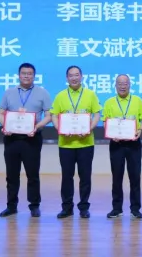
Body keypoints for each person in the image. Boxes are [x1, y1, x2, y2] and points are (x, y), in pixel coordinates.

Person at [0, 63, 52, 218]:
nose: (26, 76)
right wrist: (5, 125)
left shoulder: (42, 93)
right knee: (11, 175)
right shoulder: (9, 92)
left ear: (34, 76)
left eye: (29, 74)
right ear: (19, 75)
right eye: (23, 73)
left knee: (32, 174)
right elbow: (1, 113)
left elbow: (49, 115)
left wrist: (37, 126)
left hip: (32, 138)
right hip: (11, 138)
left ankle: (34, 205)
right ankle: (11, 206)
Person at [51, 65, 101, 219]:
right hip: (65, 144)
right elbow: (54, 115)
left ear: (81, 76)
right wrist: (60, 128)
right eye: (71, 75)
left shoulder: (90, 94)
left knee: (85, 177)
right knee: (67, 177)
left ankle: (84, 207)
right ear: (67, 78)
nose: (74, 78)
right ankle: (67, 207)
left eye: (77, 75)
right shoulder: (60, 96)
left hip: (86, 143)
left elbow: (97, 114)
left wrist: (89, 128)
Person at [103, 74, 142, 219]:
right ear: (115, 85)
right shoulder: (109, 102)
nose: (123, 86)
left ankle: (135, 209)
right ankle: (117, 209)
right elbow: (105, 121)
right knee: (117, 177)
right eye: (120, 84)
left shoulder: (137, 100)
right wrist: (111, 134)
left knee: (135, 177)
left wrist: (140, 130)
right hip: (116, 144)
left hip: (134, 144)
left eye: (125, 83)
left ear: (130, 85)